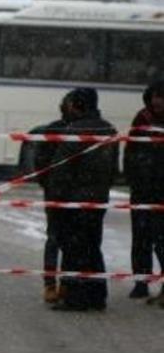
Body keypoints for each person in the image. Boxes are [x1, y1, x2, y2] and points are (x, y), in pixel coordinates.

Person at [38, 88, 118, 311]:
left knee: (74, 251)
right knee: (93, 248)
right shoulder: (109, 129)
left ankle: (75, 297)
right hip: (97, 199)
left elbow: (61, 170)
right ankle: (97, 295)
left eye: (71, 103)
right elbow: (113, 169)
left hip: (73, 201)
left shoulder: (75, 131)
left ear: (77, 104)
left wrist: (55, 199)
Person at [19, 95, 70, 304]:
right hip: (73, 196)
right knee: (71, 242)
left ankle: (53, 285)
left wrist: (48, 185)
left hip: (58, 195)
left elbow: (41, 165)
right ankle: (65, 285)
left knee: (56, 239)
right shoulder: (87, 130)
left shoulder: (56, 130)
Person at [123, 80, 164, 306]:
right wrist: (132, 179)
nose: (158, 101)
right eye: (156, 96)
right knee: (140, 239)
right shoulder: (142, 118)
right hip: (142, 190)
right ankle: (141, 282)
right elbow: (130, 151)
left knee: (160, 240)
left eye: (162, 96)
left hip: (160, 192)